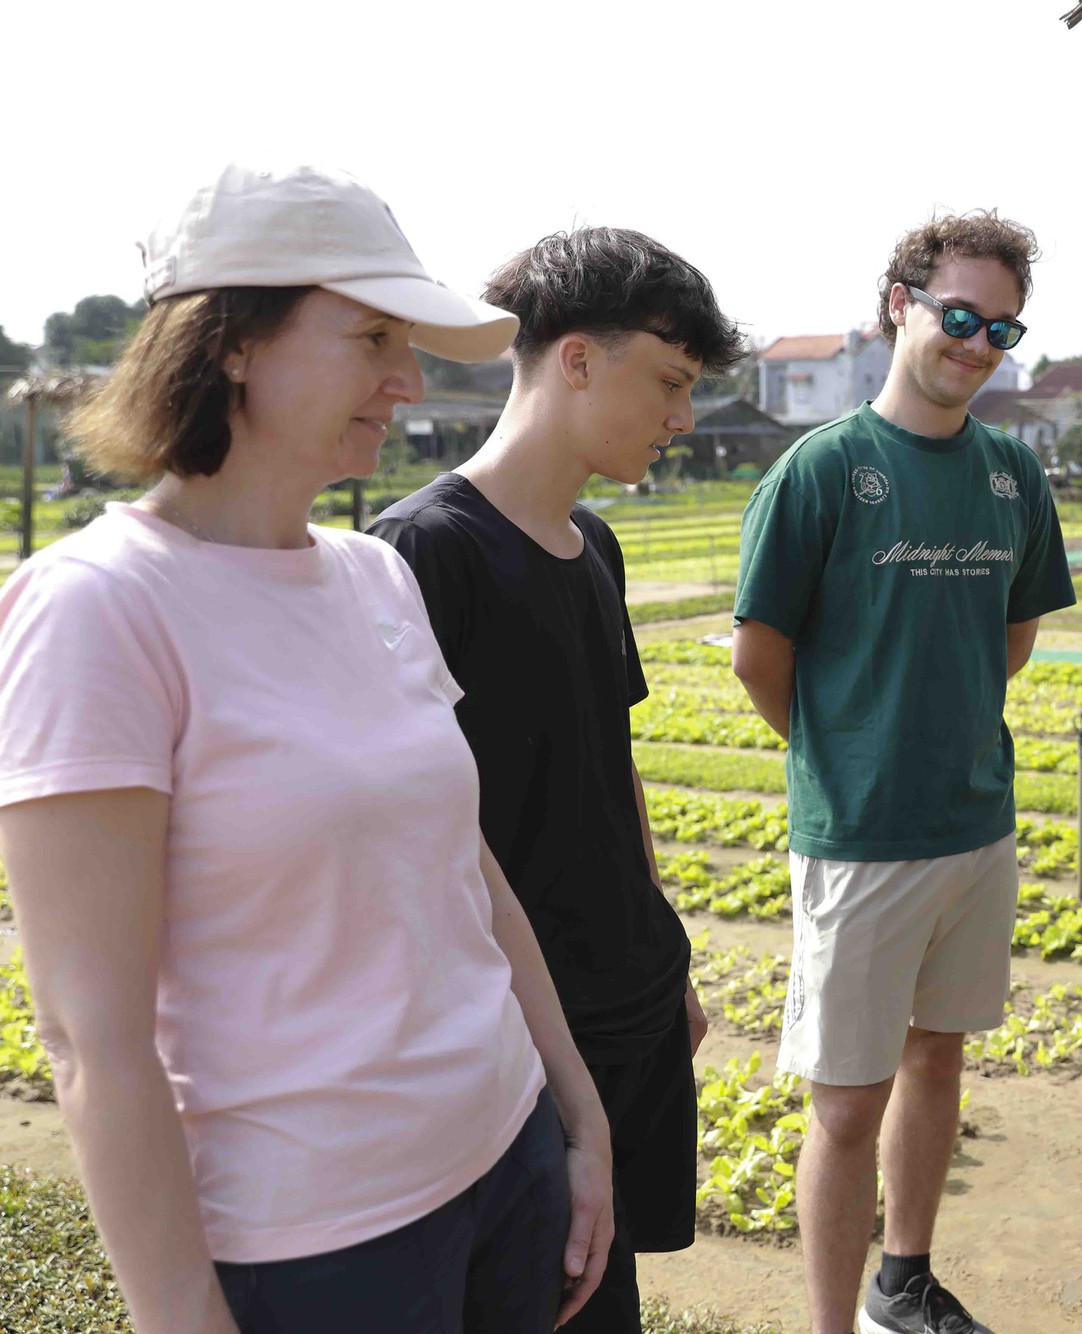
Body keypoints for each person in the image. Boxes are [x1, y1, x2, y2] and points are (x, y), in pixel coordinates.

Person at [0, 163, 613, 1333]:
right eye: (372, 334)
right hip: (319, 1243)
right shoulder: (99, 608)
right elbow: (93, 1039)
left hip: (504, 1153)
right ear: (232, 340)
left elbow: (464, 868)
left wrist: (575, 1112)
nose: (408, 379)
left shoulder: (373, 570)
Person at [369, 227, 748, 1332]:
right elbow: (413, 836)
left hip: (625, 999)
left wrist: (658, 941)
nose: (682, 415)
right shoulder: (421, 553)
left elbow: (608, 761)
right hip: (517, 1027)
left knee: (606, 1289)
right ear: (576, 359)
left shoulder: (595, 544)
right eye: (670, 381)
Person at [731, 211, 1074, 1334]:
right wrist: (848, 749)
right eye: (958, 316)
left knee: (938, 1058)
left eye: (1001, 328)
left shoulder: (1013, 473)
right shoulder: (821, 472)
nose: (977, 345)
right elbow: (760, 655)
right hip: (861, 839)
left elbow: (1011, 635)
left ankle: (904, 1280)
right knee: (842, 1106)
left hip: (976, 824)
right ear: (898, 305)